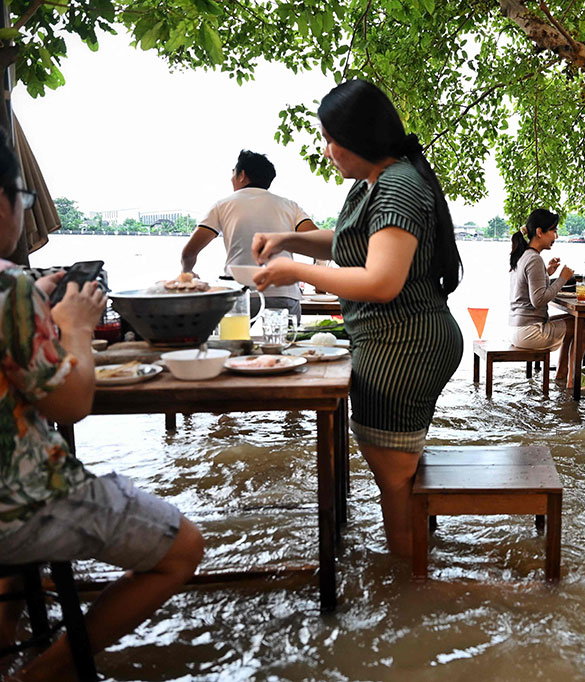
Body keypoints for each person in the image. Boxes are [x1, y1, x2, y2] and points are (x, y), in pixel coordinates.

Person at [0, 133, 203, 681]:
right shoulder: (8, 291)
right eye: (22, 199)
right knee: (184, 548)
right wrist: (75, 328)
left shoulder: (16, 292)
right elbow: (70, 404)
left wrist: (35, 302)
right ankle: (40, 675)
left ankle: (9, 635)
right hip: (16, 505)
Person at [250, 79, 463, 558]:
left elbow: (381, 281)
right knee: (398, 473)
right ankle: (412, 587)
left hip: (403, 345)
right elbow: (349, 241)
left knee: (394, 479)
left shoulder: (397, 186)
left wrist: (294, 271)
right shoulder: (376, 182)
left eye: (331, 139)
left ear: (359, 138)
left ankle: (408, 588)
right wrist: (288, 241)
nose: (328, 151)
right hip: (394, 338)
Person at [180, 149, 317, 317]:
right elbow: (317, 241)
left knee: (237, 343)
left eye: (233, 173)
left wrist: (187, 272)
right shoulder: (290, 206)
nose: (231, 179)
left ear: (242, 175)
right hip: (284, 293)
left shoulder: (222, 205)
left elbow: (189, 253)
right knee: (285, 342)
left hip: (241, 295)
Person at [508, 208, 585, 386]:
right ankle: (574, 379)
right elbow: (538, 299)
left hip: (518, 329)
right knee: (582, 324)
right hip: (529, 332)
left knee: (574, 320)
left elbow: (528, 287)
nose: (556, 236)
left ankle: (564, 374)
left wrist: (547, 273)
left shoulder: (524, 256)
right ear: (540, 232)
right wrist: (562, 278)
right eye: (553, 231)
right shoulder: (534, 259)